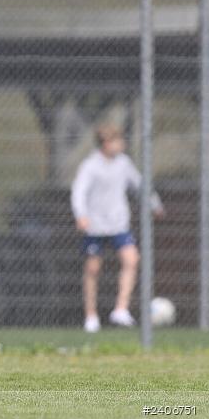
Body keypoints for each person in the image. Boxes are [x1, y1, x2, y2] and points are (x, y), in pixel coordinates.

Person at [71, 123, 164, 333]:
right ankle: (91, 316)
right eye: (116, 141)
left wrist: (154, 204)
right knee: (92, 269)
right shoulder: (90, 166)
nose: (121, 145)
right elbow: (79, 191)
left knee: (131, 259)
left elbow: (140, 184)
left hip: (118, 224)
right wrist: (81, 215)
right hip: (95, 225)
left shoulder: (123, 163)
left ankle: (120, 309)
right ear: (105, 144)